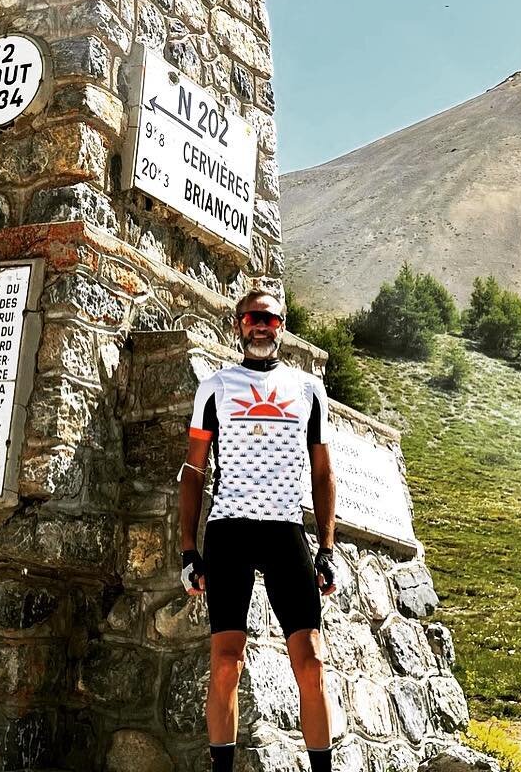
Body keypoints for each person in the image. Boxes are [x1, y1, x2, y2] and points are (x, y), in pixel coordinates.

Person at [179, 287, 337, 772]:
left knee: (310, 662)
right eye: (252, 318)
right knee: (227, 662)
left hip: (285, 530)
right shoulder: (215, 386)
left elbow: (323, 472)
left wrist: (327, 548)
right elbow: (194, 470)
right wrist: (188, 548)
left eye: (269, 318)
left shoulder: (309, 389)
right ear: (238, 325)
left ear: (282, 326)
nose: (261, 325)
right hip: (229, 530)